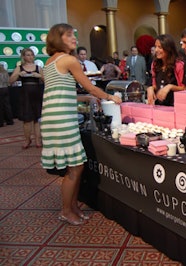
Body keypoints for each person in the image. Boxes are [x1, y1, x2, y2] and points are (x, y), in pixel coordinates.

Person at [40, 23, 121, 225]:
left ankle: (74, 206)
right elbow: (91, 87)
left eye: (73, 35)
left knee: (76, 166)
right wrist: (111, 97)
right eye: (69, 35)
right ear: (58, 38)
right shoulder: (69, 59)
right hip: (62, 120)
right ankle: (66, 210)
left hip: (53, 118)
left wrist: (84, 99)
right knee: (75, 168)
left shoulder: (50, 62)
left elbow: (59, 92)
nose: (74, 38)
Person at [9, 48, 44, 149]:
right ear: (23, 57)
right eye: (27, 55)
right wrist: (18, 75)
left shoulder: (38, 67)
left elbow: (46, 80)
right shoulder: (19, 68)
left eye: (31, 55)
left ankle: (38, 140)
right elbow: (10, 81)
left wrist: (39, 76)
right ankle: (27, 140)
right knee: (27, 119)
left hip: (37, 94)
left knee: (37, 118)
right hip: (25, 95)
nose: (30, 57)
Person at [146, 34, 185, 106]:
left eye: (160, 47)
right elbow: (155, 84)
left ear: (168, 48)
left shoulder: (178, 65)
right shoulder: (154, 64)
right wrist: (150, 88)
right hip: (159, 105)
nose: (156, 50)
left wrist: (170, 87)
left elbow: (184, 88)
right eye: (155, 46)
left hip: (174, 105)